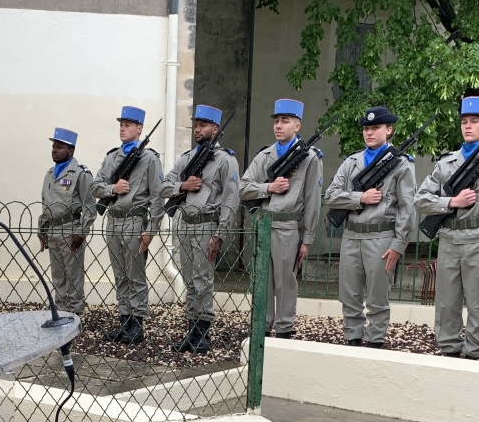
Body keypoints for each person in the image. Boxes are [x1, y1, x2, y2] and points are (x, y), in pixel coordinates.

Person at [414, 96, 479, 359]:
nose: (468, 126)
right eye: (464, 121)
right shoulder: (446, 162)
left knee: (477, 301)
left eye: (475, 121)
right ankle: (449, 348)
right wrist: (451, 202)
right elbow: (420, 199)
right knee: (446, 301)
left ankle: (474, 351)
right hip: (449, 237)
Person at [323, 106, 416, 348]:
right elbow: (331, 195)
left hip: (381, 236)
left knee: (377, 297)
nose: (369, 132)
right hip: (352, 235)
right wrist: (359, 198)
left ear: (389, 130)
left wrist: (399, 244)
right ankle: (352, 339)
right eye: (366, 128)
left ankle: (375, 342)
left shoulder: (402, 165)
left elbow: (407, 208)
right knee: (349, 295)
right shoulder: (351, 162)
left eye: (375, 128)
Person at [158, 104, 240, 352]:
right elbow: (162, 186)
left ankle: (202, 333)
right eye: (195, 125)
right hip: (185, 224)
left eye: (203, 125)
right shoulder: (186, 159)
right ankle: (191, 331)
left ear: (215, 129)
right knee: (189, 280)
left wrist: (220, 234)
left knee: (202, 280)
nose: (197, 129)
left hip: (207, 225)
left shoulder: (226, 160)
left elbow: (230, 200)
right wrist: (183, 186)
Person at [239, 99, 323, 339]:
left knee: (285, 281)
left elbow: (313, 200)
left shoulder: (310, 158)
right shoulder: (264, 155)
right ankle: (262, 327)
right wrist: (268, 188)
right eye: (276, 121)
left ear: (297, 126)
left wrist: (307, 238)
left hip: (289, 226)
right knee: (262, 279)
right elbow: (243, 188)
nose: (278, 125)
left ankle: (285, 328)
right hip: (264, 224)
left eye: (285, 121)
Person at [91, 106, 164, 344]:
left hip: (135, 221)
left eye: (128, 125)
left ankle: (137, 324)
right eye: (121, 125)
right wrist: (113, 188)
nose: (122, 129)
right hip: (113, 220)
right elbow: (95, 186)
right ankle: (124, 321)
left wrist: (151, 229)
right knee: (120, 275)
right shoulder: (111, 157)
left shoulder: (149, 158)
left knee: (135, 275)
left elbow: (157, 196)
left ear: (139, 129)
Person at [37, 127, 96, 315]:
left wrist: (82, 232)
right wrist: (42, 229)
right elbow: (45, 203)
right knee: (58, 277)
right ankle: (61, 315)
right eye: (53, 146)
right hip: (53, 231)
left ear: (71, 151)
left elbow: (89, 205)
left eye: (59, 147)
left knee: (73, 276)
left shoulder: (80, 174)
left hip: (71, 231)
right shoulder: (49, 174)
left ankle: (75, 316)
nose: (54, 150)